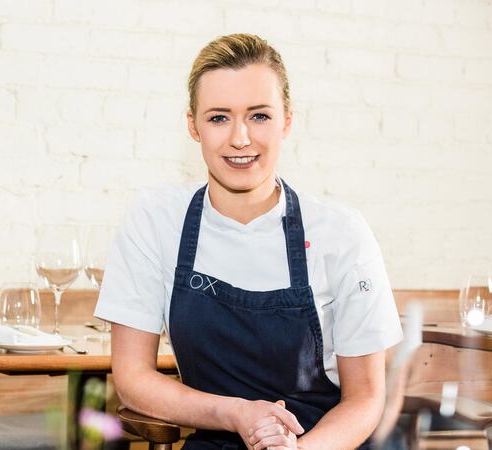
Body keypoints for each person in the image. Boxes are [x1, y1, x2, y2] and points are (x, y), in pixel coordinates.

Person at [93, 34, 404, 450]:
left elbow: (365, 400)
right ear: (193, 125)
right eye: (219, 118)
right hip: (217, 436)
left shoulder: (342, 232)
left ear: (287, 121)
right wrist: (236, 413)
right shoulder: (154, 219)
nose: (240, 138)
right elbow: (133, 380)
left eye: (259, 116)